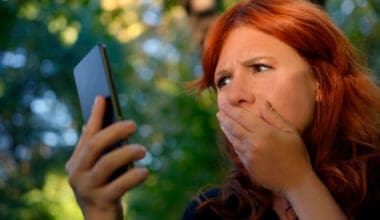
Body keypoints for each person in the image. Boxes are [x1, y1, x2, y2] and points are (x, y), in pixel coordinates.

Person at [65, 0, 380, 219]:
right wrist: (100, 214)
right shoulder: (211, 211)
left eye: (259, 67)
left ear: (321, 84)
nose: (234, 96)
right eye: (224, 80)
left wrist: (299, 182)